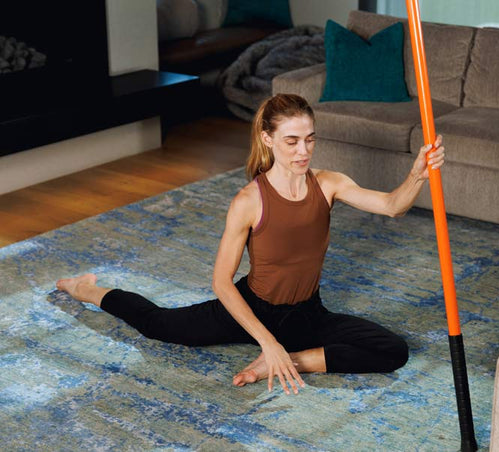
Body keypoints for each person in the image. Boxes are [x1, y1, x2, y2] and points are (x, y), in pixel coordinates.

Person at [56, 93, 445, 396]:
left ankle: (292, 360)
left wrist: (417, 173)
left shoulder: (329, 183)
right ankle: (86, 288)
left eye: (310, 139)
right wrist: (266, 340)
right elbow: (222, 283)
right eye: (291, 141)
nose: (303, 151)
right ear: (268, 138)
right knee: (159, 325)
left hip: (306, 313)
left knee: (393, 351)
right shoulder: (249, 200)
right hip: (249, 307)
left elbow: (392, 207)